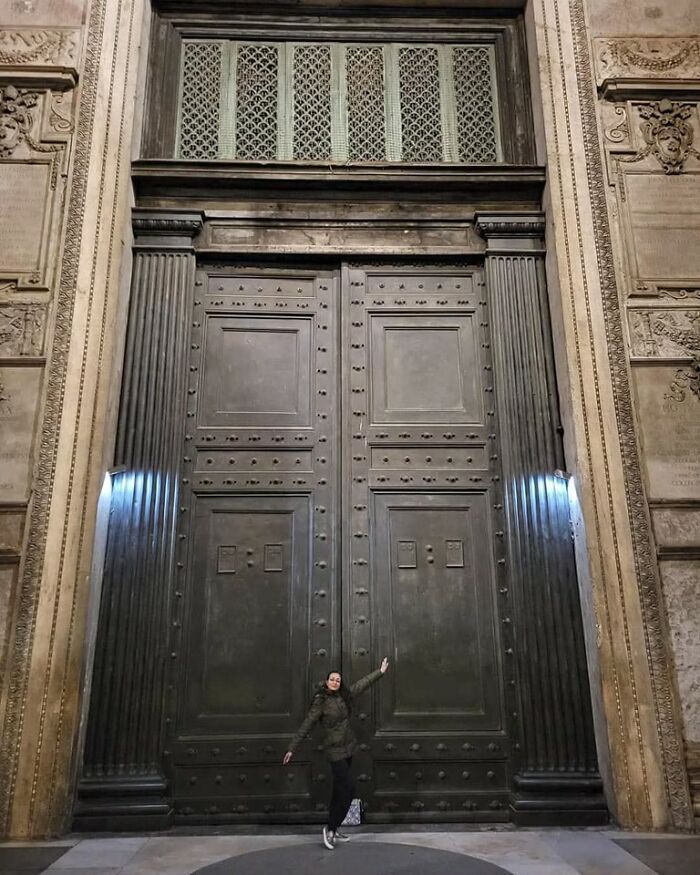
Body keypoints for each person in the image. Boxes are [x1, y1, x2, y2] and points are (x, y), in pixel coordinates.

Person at [283, 657, 389, 849]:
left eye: (338, 680)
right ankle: (330, 829)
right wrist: (292, 747)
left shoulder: (344, 695)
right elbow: (307, 724)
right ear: (326, 681)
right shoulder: (321, 701)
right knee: (348, 789)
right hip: (334, 751)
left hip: (348, 748)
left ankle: (335, 827)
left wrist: (380, 672)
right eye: (332, 679)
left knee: (339, 791)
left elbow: (362, 684)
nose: (335, 682)